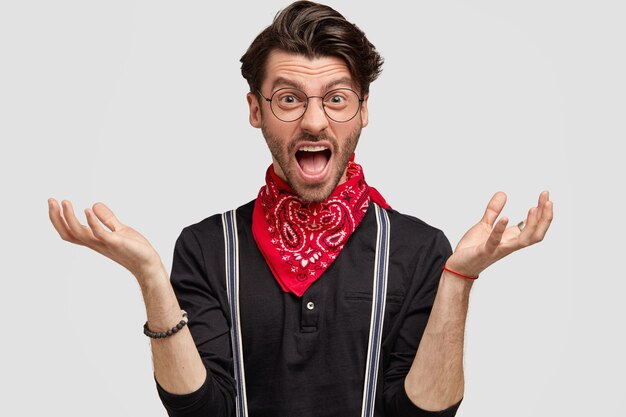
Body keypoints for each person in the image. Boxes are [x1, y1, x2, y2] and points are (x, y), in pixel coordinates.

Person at [48, 1, 553, 416]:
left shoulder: (420, 249)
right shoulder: (205, 246)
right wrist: (151, 278)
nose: (314, 121)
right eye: (289, 99)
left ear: (363, 110)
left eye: (336, 99)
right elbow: (203, 413)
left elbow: (421, 416)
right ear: (256, 110)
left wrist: (458, 279)